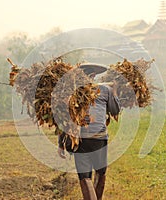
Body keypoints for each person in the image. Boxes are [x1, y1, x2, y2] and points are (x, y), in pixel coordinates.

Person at [57, 63, 121, 200]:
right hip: (98, 138)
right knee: (100, 172)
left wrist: (61, 143)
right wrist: (114, 92)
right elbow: (115, 110)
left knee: (85, 177)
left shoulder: (70, 93)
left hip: (80, 139)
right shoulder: (105, 90)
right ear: (92, 76)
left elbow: (64, 120)